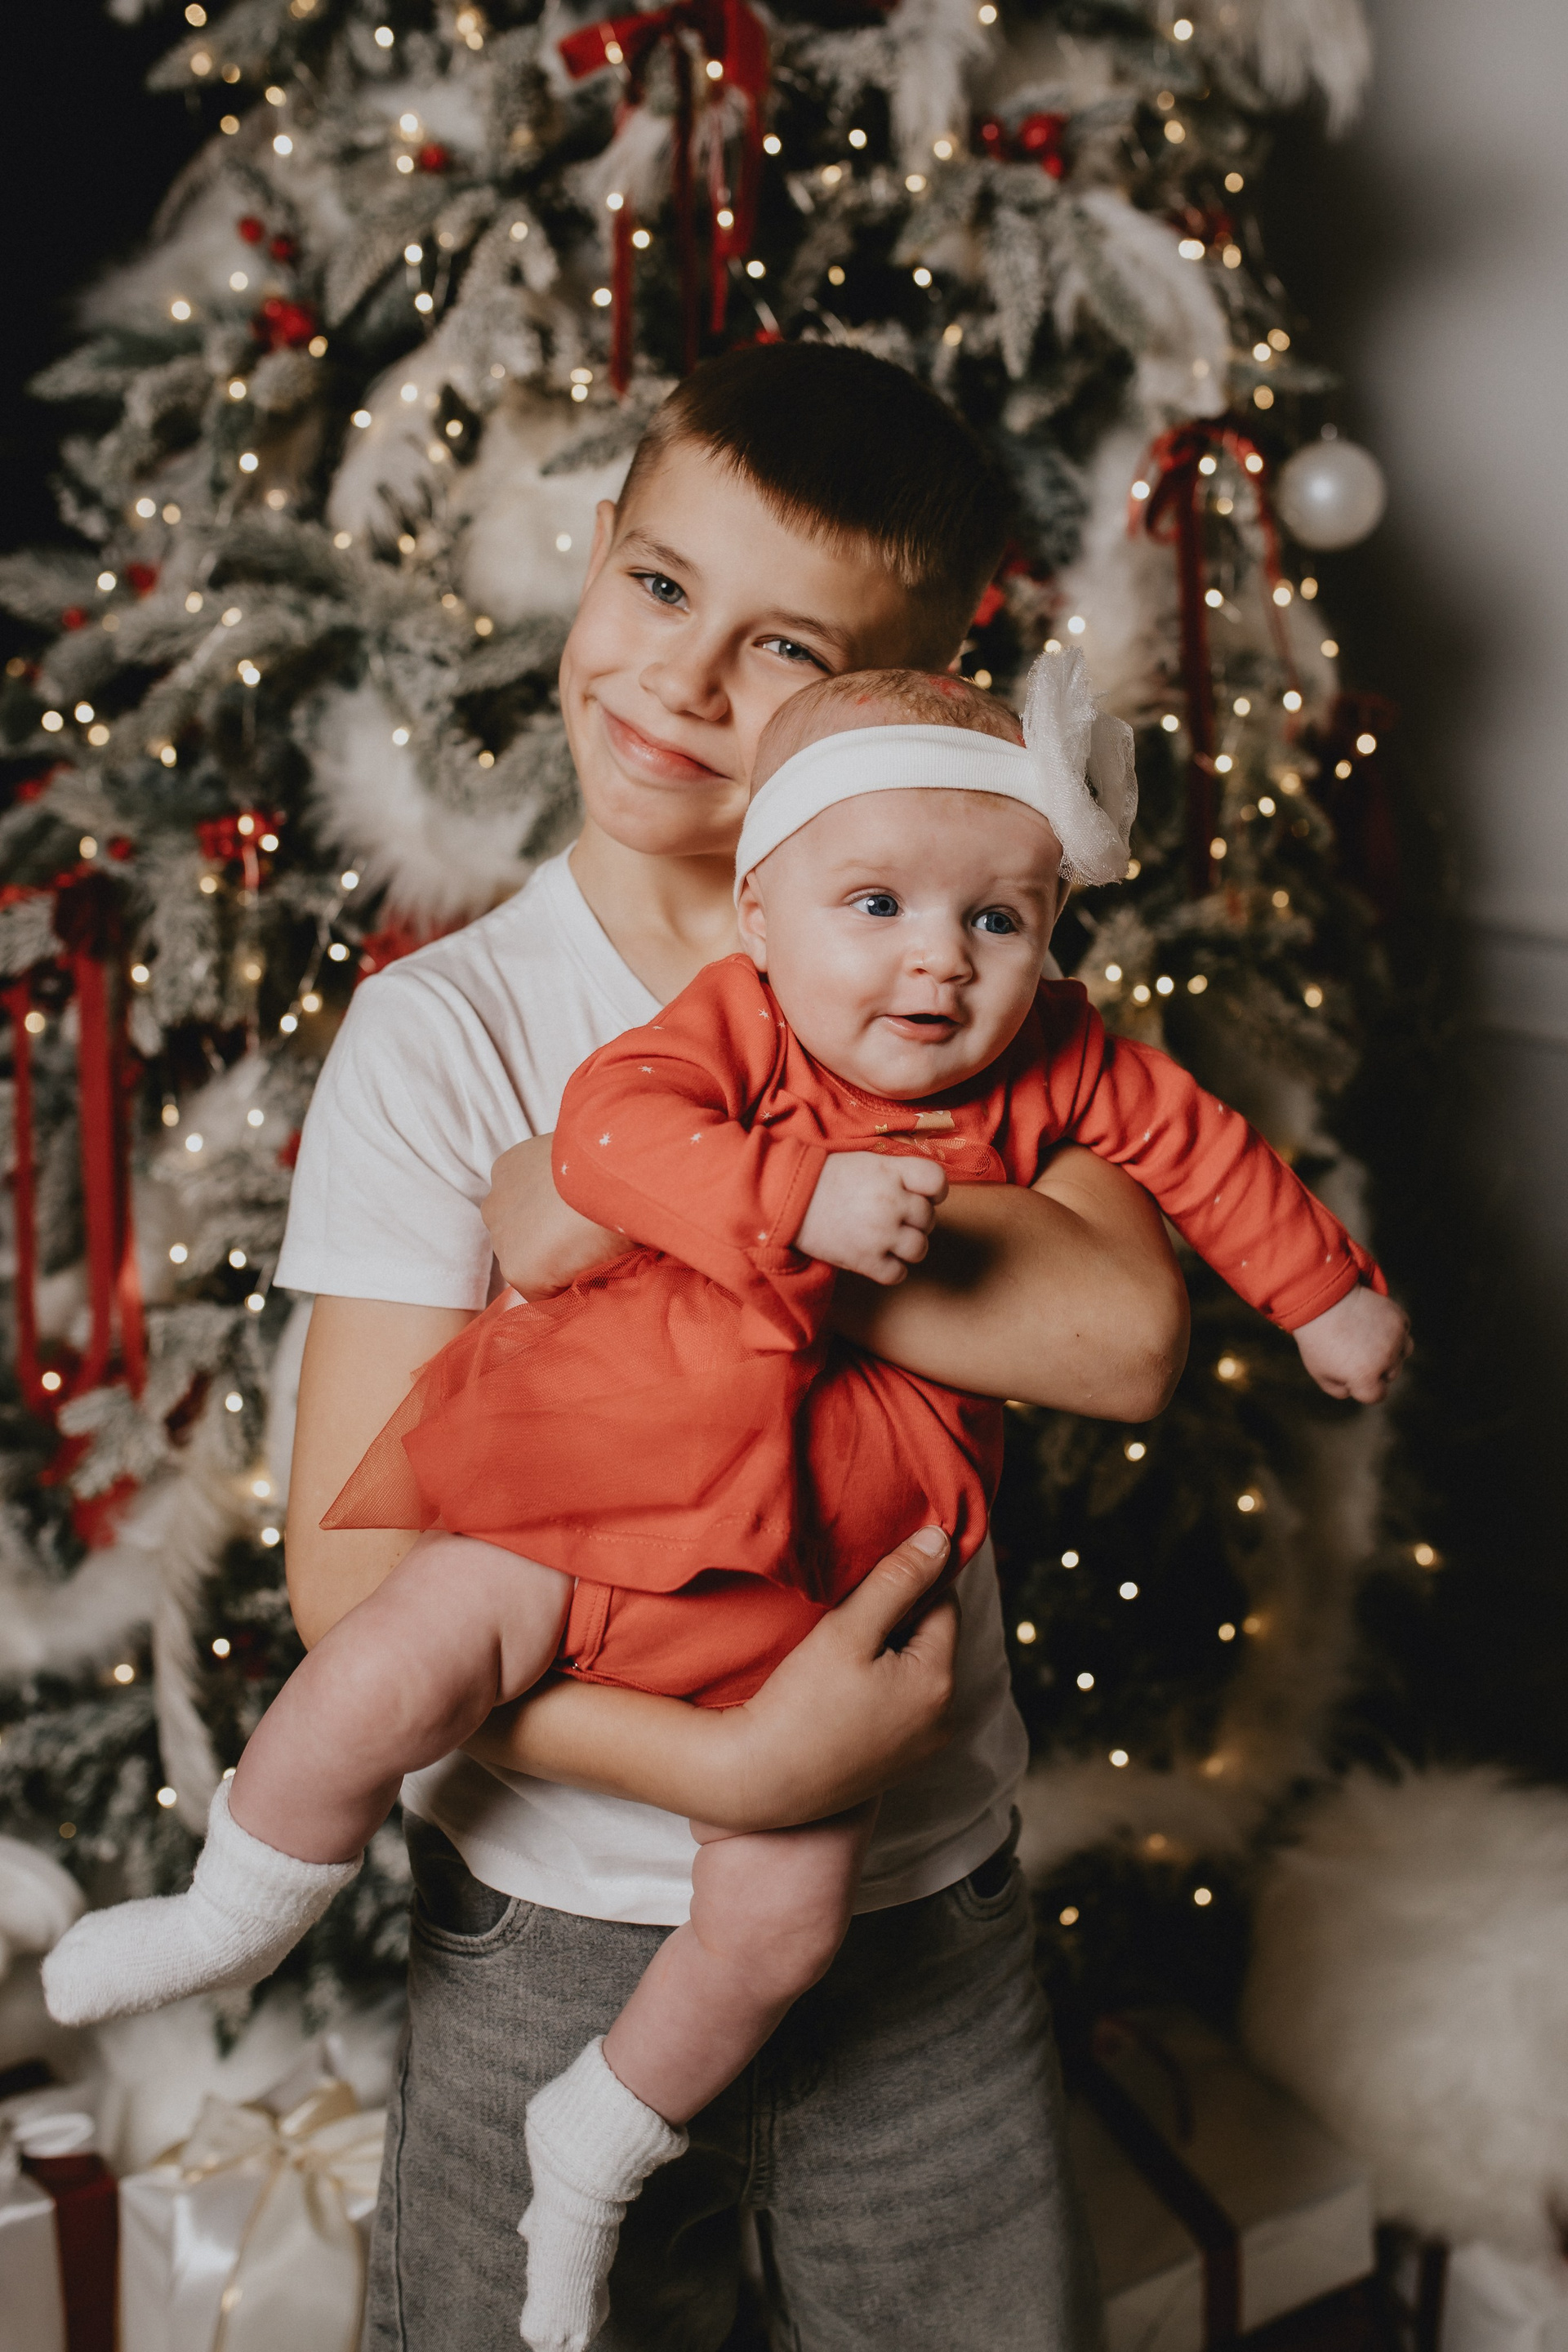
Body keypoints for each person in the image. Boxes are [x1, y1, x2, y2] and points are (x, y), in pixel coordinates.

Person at [45, 656, 1409, 2352]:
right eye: (879, 906)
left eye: (997, 920)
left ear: (1053, 932)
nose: (938, 959)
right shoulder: (738, 1025)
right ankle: (236, 1902)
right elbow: (605, 1140)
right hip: (590, 1519)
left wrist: (1326, 1300)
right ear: (763, 913)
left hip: (818, 1614)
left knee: (779, 1925)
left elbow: (1205, 1156)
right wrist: (797, 1199)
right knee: (388, 1665)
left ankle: (596, 2145)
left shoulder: (1061, 1064)